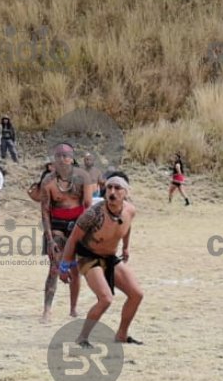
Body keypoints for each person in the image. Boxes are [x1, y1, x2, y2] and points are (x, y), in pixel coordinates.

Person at [58, 171, 144, 346]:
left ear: (125, 193)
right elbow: (73, 238)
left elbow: (127, 226)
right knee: (105, 299)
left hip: (110, 256)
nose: (112, 191)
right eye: (109, 187)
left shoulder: (130, 210)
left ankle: (121, 334)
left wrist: (126, 246)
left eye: (117, 188)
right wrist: (64, 266)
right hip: (89, 256)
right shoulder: (93, 214)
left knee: (136, 294)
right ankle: (82, 338)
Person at [39, 143, 95, 323]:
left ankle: (73, 308)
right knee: (54, 267)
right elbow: (45, 212)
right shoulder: (48, 181)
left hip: (78, 225)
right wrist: (49, 239)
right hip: (56, 226)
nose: (62, 159)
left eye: (66, 155)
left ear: (72, 158)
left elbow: (88, 206)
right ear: (54, 160)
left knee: (75, 269)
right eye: (58, 155)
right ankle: (47, 310)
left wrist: (85, 232)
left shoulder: (82, 177)